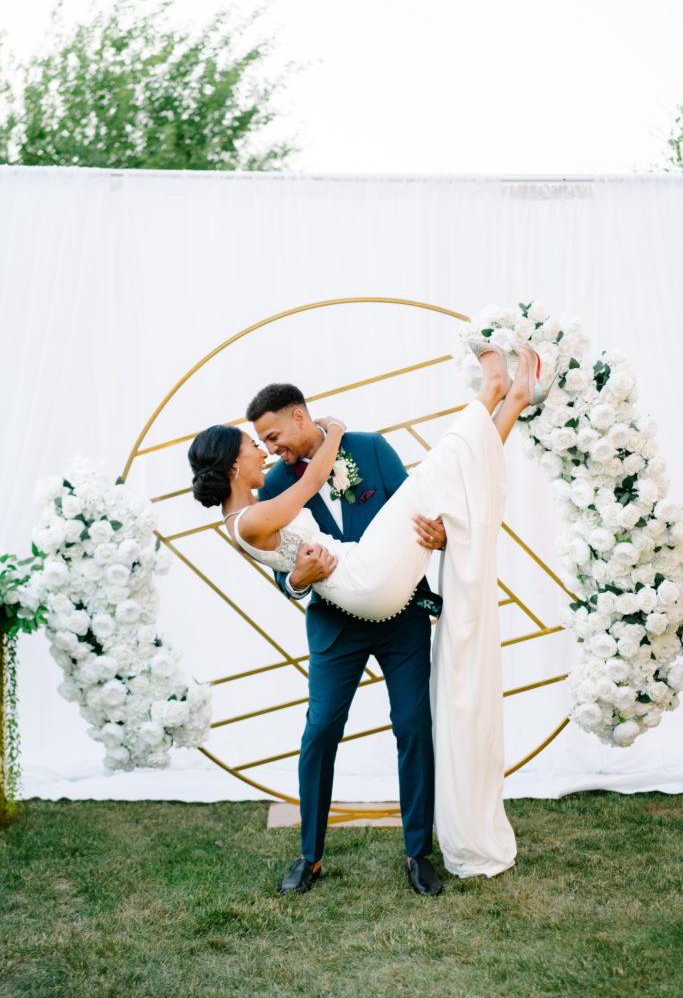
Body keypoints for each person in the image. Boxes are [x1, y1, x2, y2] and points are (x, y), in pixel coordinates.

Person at [188, 344, 544, 894]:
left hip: (398, 608)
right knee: (320, 730)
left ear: (299, 417)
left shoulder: (371, 450)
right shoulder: (276, 488)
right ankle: (309, 856)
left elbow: (426, 507)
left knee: (413, 727)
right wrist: (298, 579)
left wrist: (444, 536)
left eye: (274, 436)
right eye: (260, 444)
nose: (270, 449)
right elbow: (283, 567)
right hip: (336, 620)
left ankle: (417, 852)